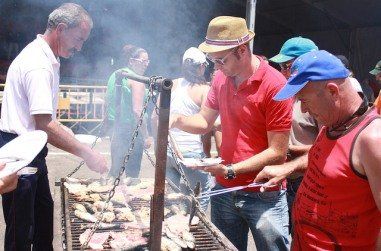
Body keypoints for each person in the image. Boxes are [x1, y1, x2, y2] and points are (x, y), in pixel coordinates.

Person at [171, 16, 292, 250]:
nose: (215, 68)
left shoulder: (275, 85)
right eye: (212, 61)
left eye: (220, 61)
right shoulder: (221, 79)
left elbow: (278, 152)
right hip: (224, 190)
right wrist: (175, 120)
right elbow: (204, 122)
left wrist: (229, 170)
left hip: (263, 193)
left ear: (242, 51)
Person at [0, 3, 108, 250]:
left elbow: (46, 121)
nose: (80, 47)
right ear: (61, 28)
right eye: (78, 39)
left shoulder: (49, 57)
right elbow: (45, 125)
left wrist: (77, 140)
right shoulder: (38, 64)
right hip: (19, 153)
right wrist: (87, 153)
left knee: (42, 221)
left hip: (33, 151)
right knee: (21, 230)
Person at [272, 50, 381, 249]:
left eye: (304, 100)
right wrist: (287, 169)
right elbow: (326, 161)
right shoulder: (332, 125)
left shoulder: (372, 140)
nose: (303, 110)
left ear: (332, 91)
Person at [258, 36, 320, 234]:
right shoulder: (285, 94)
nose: (283, 72)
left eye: (288, 66)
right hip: (285, 179)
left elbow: (332, 148)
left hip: (308, 180)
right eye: (282, 67)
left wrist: (290, 150)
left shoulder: (318, 101)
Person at [166, 47, 212, 211]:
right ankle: (193, 226)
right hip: (190, 153)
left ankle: (172, 225)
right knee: (202, 191)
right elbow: (206, 126)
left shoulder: (170, 84)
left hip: (168, 151)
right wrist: (206, 154)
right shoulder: (204, 89)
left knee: (172, 196)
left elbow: (155, 117)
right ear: (201, 67)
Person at [106, 44, 153, 178]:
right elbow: (138, 111)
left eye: (147, 61)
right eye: (142, 61)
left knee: (115, 170)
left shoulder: (115, 75)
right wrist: (146, 136)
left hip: (116, 128)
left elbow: (107, 101)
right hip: (131, 130)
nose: (146, 64)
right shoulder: (136, 79)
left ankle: (109, 195)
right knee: (132, 175)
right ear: (131, 61)